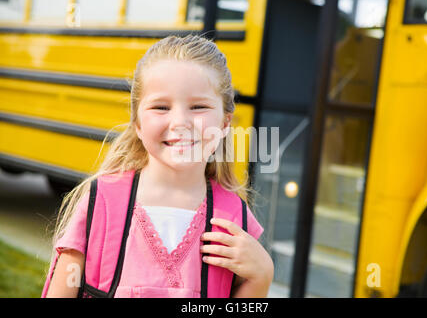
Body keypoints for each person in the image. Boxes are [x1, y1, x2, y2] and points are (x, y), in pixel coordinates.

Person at [43, 35, 274, 298]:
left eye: (198, 107)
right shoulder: (102, 204)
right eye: (161, 107)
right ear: (138, 125)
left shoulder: (234, 220)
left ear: (224, 124)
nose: (180, 122)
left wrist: (262, 276)